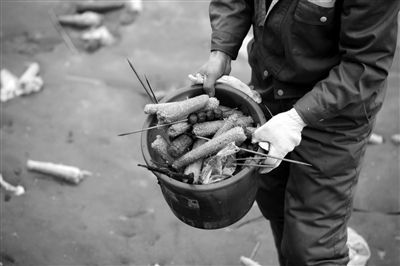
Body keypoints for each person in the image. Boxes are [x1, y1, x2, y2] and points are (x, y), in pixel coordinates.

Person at [195, 0, 399, 265]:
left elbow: (366, 65)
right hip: (268, 94)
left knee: (311, 247)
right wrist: (221, 50)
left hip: (335, 116)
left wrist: (296, 119)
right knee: (274, 205)